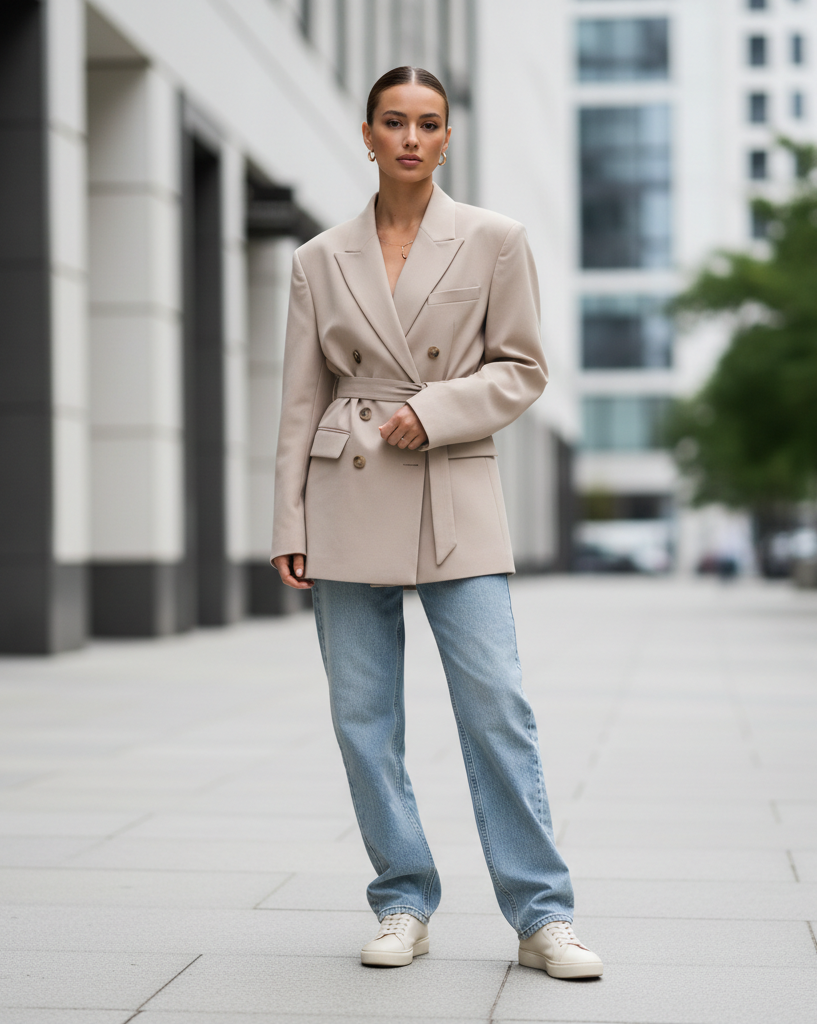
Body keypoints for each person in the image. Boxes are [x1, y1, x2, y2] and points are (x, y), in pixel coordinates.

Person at [270, 66, 602, 980]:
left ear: (447, 138)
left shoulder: (495, 240)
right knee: (363, 717)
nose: (411, 138)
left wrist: (443, 407)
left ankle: (542, 917)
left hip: (452, 485)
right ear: (368, 134)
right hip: (347, 488)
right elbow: (301, 400)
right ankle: (403, 899)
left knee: (498, 706)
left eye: (428, 124)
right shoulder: (317, 257)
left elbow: (523, 367)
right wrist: (286, 518)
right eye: (394, 122)